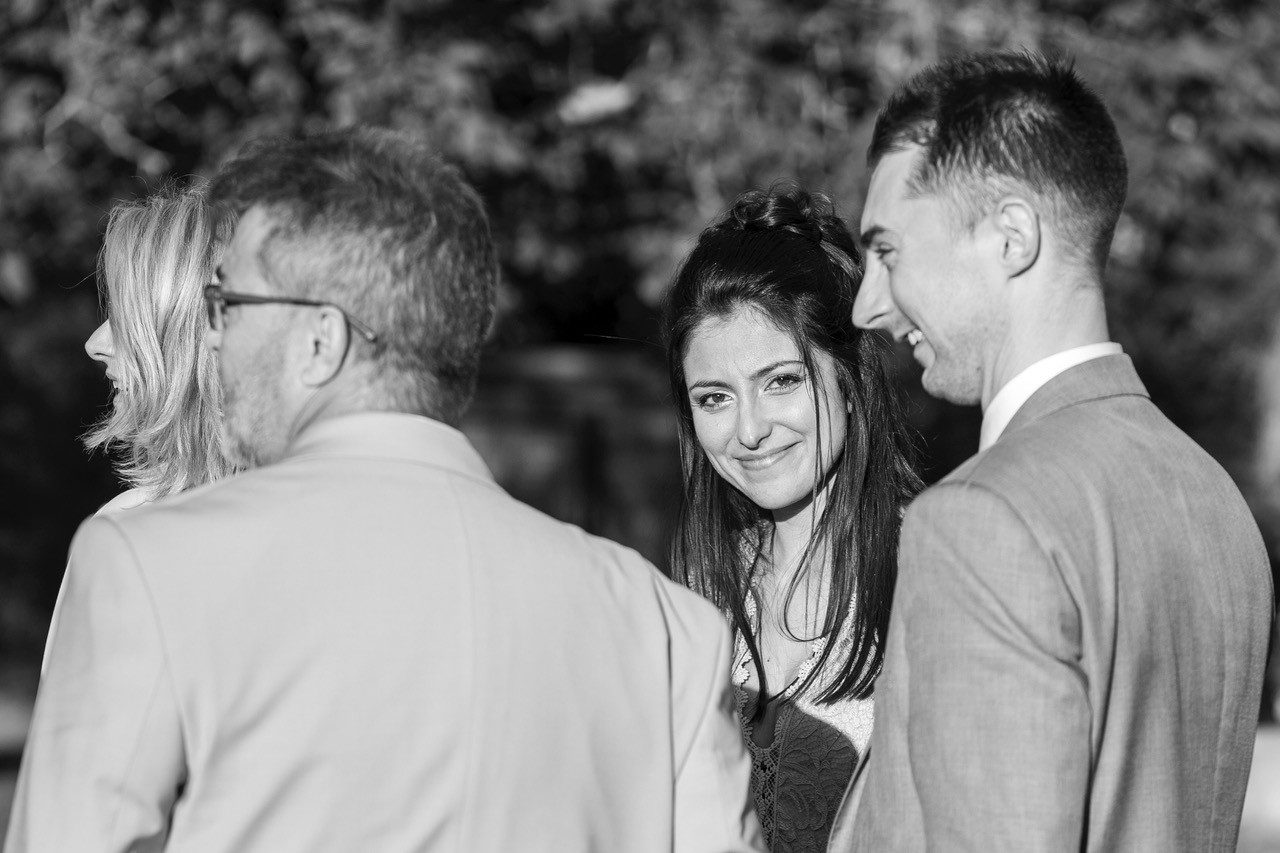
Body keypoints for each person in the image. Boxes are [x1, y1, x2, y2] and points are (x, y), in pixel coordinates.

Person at [8, 128, 762, 852]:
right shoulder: (668, 629)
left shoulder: (148, 566)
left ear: (321, 341)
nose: (214, 337)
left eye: (229, 309)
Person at [832, 50, 1274, 851]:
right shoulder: (1213, 499)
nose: (867, 305)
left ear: (1012, 236)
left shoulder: (980, 520)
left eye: (888, 251)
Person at [662, 185, 920, 851]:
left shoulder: (933, 569)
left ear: (849, 376)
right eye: (714, 397)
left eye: (781, 380)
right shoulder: (703, 584)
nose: (749, 429)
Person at [43, 181, 234, 672]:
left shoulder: (128, 540)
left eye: (128, 317)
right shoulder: (347, 521)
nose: (95, 343)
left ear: (187, 335)